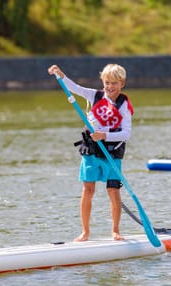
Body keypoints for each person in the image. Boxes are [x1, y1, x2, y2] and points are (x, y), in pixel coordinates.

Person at [48, 63, 133, 242]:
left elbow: (126, 133)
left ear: (122, 84)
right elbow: (74, 88)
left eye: (114, 83)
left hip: (112, 152)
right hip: (91, 151)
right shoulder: (95, 95)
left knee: (113, 190)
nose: (110, 87)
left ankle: (115, 231)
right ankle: (85, 232)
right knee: (88, 189)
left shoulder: (124, 105)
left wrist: (105, 135)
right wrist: (60, 74)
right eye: (107, 83)